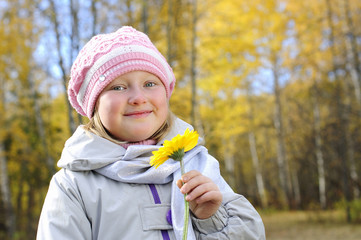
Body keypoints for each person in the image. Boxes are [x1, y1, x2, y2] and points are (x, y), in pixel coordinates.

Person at [37, 26, 265, 240]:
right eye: (118, 87)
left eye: (149, 84)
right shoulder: (74, 185)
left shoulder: (196, 163)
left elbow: (252, 233)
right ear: (94, 105)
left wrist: (211, 219)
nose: (138, 97)